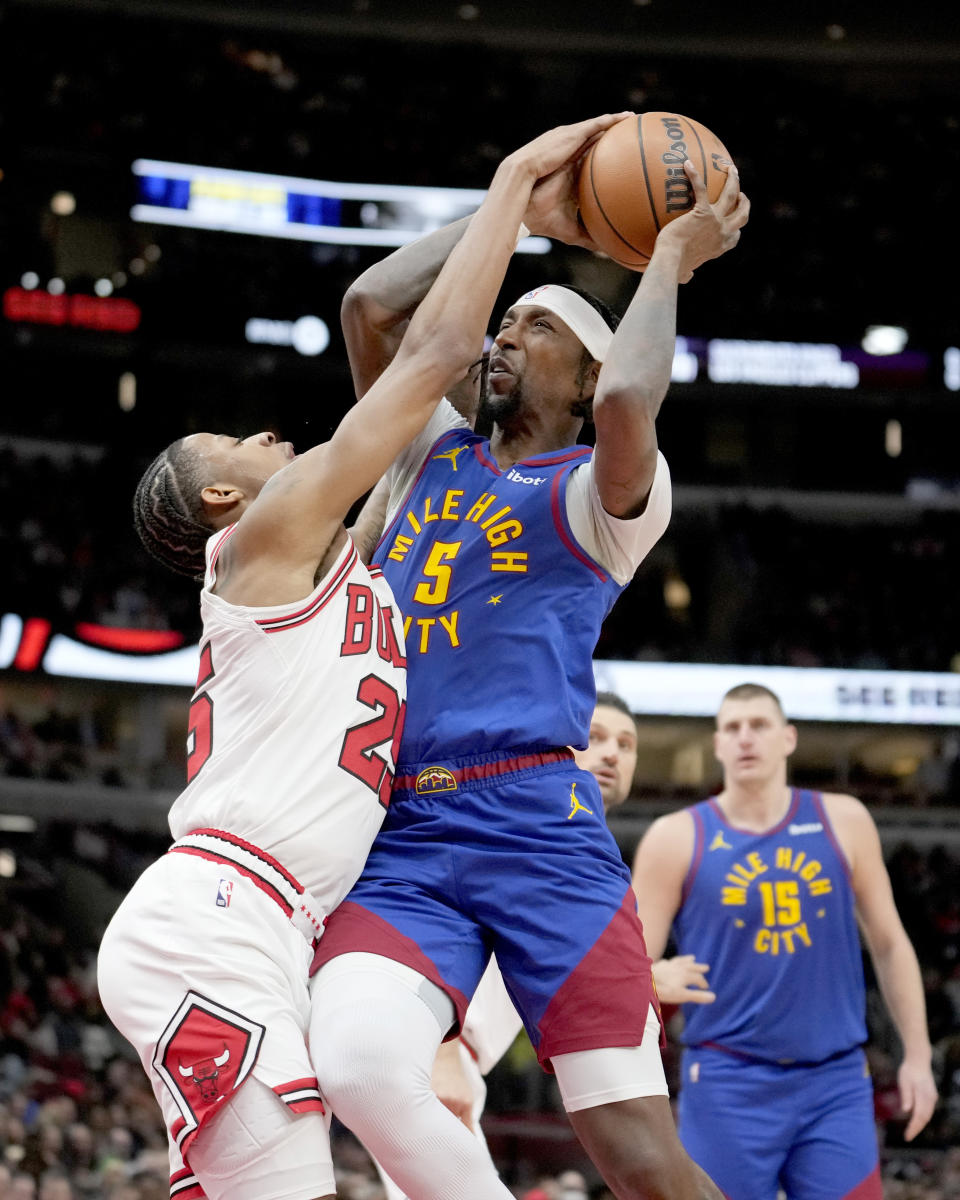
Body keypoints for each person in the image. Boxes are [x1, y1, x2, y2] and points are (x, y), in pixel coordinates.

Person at [95, 112, 625, 1200]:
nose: (276, 440)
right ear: (228, 498)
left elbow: (370, 309)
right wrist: (516, 188)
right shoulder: (268, 534)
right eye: (248, 447)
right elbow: (430, 348)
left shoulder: (353, 558)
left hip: (271, 924)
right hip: (222, 917)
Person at [308, 149, 749, 1200]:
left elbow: (636, 394)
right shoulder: (429, 449)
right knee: (359, 1062)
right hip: (403, 834)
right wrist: (522, 217)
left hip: (538, 830)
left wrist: (669, 256)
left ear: (585, 374)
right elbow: (373, 307)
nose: (504, 336)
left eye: (536, 327)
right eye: (503, 325)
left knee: (636, 1155)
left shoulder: (605, 495)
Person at [631, 682, 939, 1200]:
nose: (746, 737)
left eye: (759, 725)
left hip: (835, 1082)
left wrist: (918, 1056)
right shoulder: (675, 836)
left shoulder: (844, 819)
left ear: (789, 738)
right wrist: (652, 977)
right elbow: (626, 966)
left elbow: (889, 943)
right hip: (727, 1080)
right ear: (718, 745)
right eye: (732, 727)